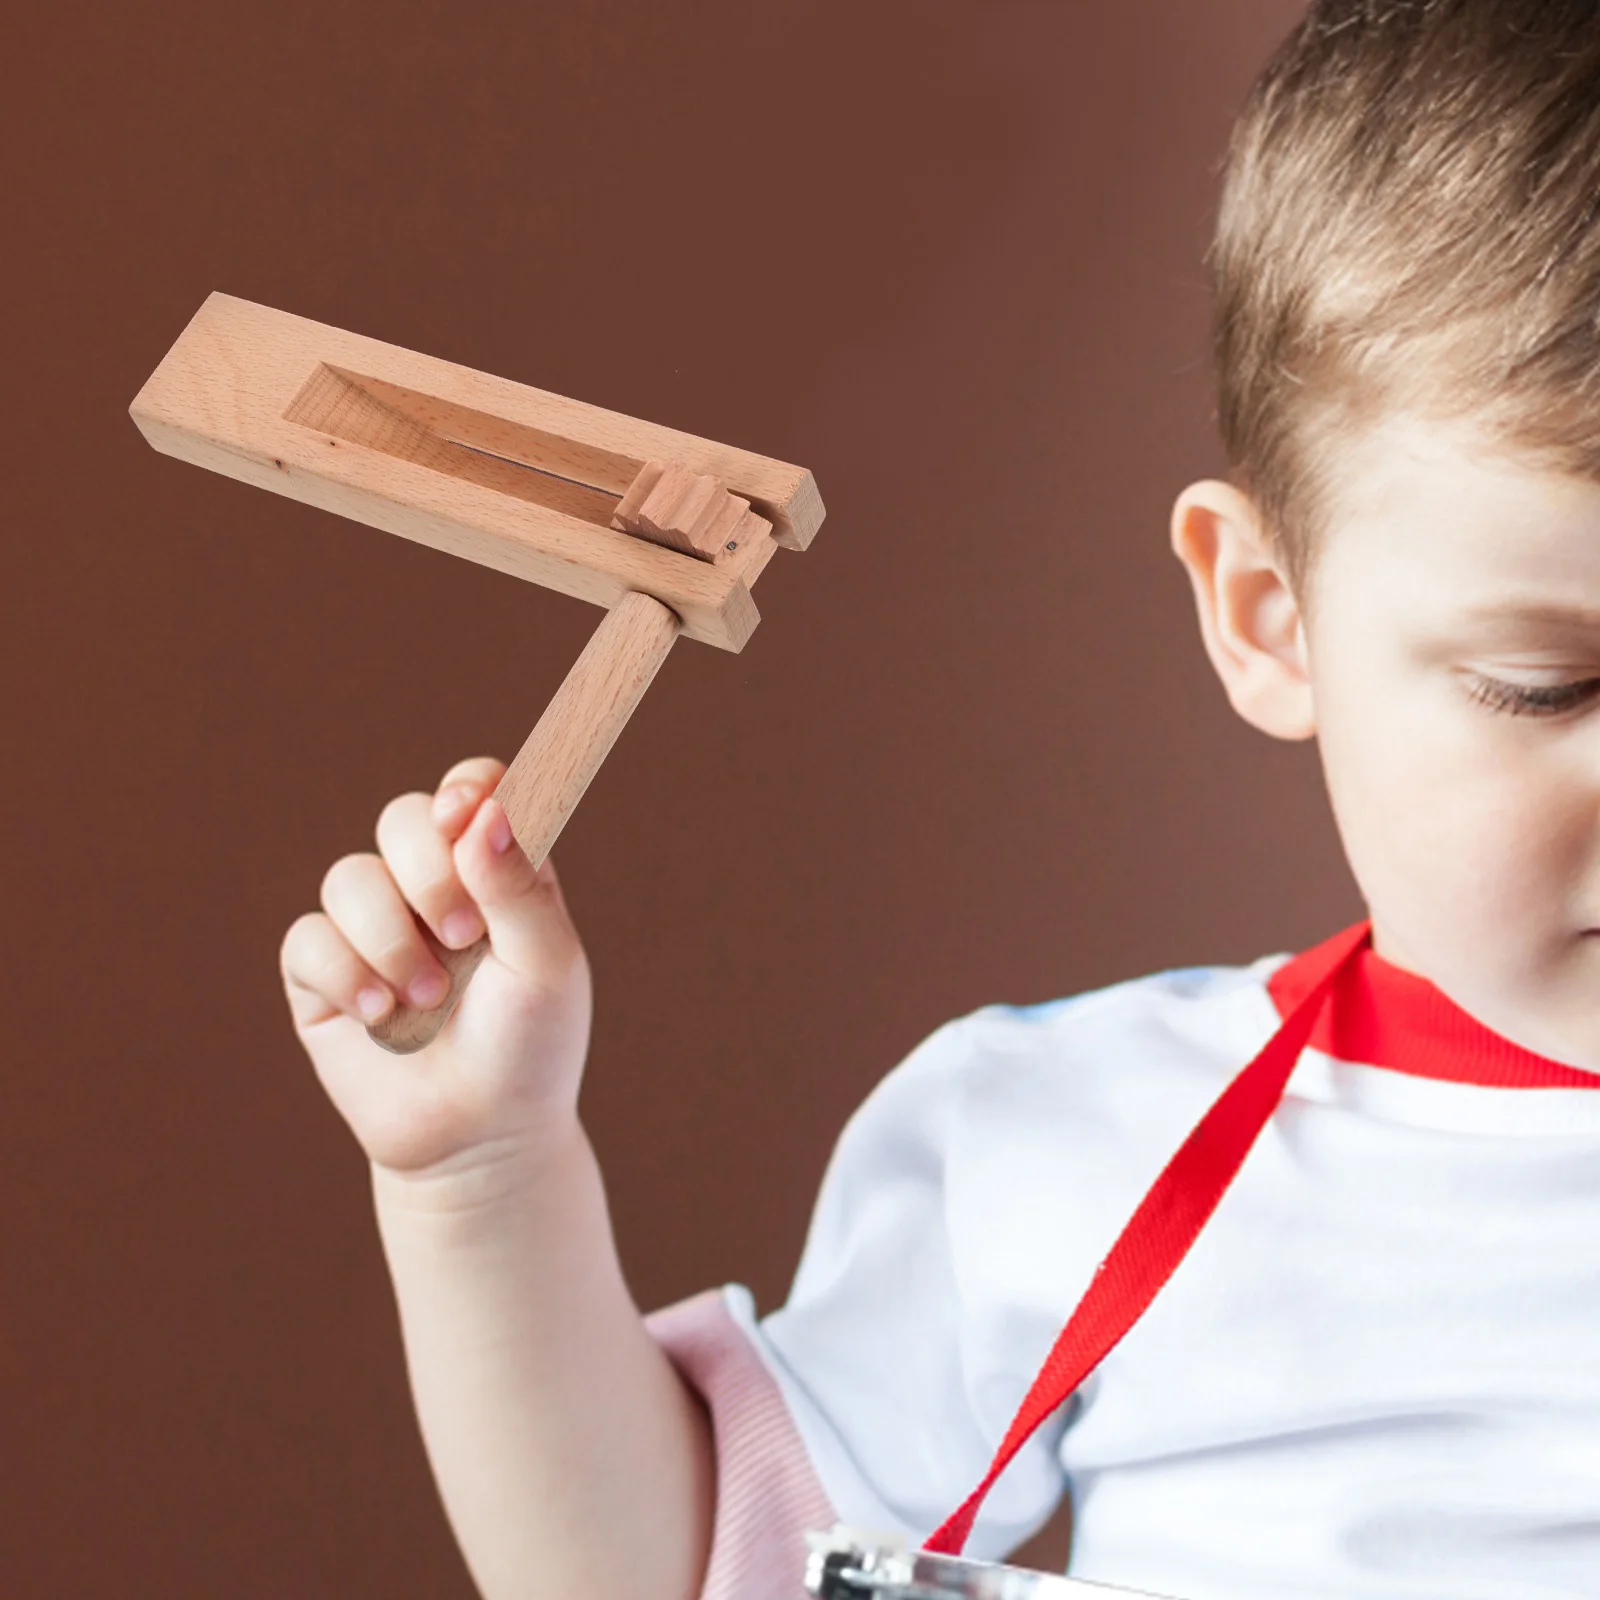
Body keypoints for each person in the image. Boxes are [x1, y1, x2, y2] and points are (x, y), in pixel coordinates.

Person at [277, 3, 1600, 1596]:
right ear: (1270, 613)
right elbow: (680, 1573)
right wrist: (478, 1179)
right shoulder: (1088, 1155)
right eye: (1550, 686)